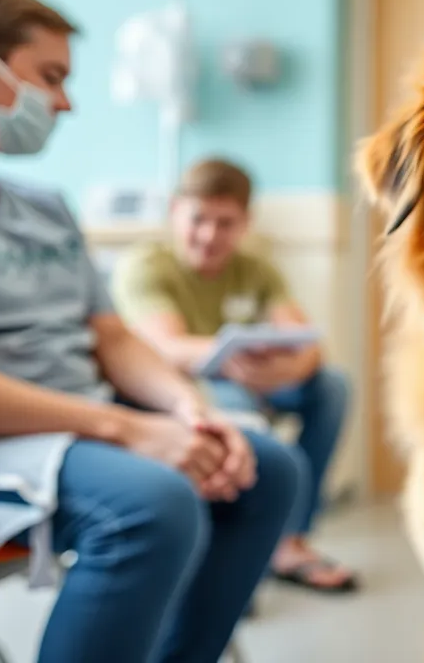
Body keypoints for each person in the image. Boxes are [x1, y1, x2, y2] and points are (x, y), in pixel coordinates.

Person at [0, 0, 305, 663]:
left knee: (268, 467)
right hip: (3, 438)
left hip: (91, 416)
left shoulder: (44, 206)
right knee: (155, 503)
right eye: (49, 77)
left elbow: (109, 334)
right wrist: (126, 428)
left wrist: (190, 409)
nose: (64, 102)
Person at [111, 157, 358, 594]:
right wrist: (231, 358)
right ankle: (235, 548)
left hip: (245, 381)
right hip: (178, 390)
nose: (209, 235)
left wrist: (284, 368)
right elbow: (165, 348)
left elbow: (309, 346)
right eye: (198, 219)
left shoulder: (255, 269)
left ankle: (289, 540)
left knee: (332, 388)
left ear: (245, 222)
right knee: (239, 409)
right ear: (175, 211)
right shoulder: (147, 267)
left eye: (225, 223)